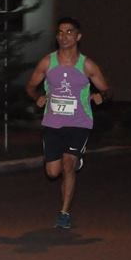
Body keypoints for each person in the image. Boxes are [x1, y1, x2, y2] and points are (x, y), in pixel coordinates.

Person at [25, 16, 111, 229]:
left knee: (68, 165)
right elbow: (30, 86)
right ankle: (73, 161)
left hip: (79, 122)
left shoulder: (87, 65)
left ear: (78, 36)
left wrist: (101, 97)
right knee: (53, 172)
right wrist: (37, 97)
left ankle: (64, 213)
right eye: (60, 32)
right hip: (52, 123)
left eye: (69, 32)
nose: (64, 36)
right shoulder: (47, 62)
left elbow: (107, 90)